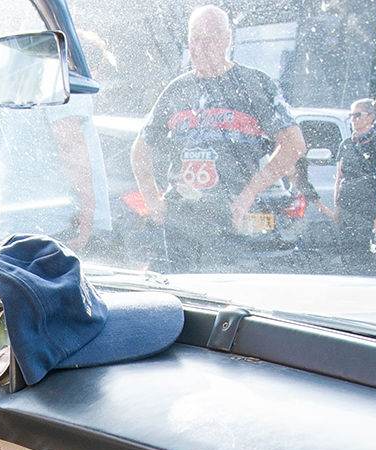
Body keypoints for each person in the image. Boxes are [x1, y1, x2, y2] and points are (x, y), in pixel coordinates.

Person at [130, 4, 305, 271]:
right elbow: (140, 148)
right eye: (194, 40)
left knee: (224, 298)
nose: (199, 48)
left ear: (226, 40)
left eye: (208, 40)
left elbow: (293, 145)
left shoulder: (253, 85)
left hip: (232, 218)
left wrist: (248, 194)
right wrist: (152, 199)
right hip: (181, 219)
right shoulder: (177, 89)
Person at [0, 61, 110, 250]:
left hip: (7, 218)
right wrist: (88, 210)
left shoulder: (4, 81)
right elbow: (69, 145)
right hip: (57, 221)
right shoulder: (62, 76)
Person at [332, 97, 376, 252]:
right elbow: (339, 177)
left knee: (361, 251)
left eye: (357, 115)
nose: (353, 119)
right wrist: (336, 208)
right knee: (345, 250)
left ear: (370, 117)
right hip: (346, 206)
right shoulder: (346, 144)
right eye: (351, 115)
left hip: (366, 208)